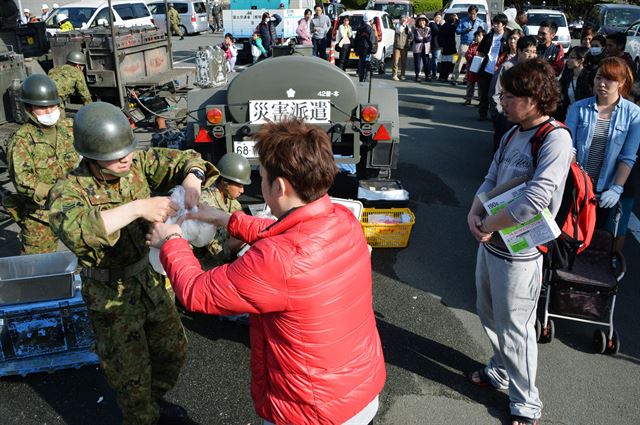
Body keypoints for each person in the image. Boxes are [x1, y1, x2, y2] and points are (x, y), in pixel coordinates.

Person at [146, 118, 386, 425]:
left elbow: (197, 292)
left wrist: (172, 241)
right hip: (358, 387)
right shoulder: (341, 219)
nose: (257, 184)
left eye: (261, 177)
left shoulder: (275, 260)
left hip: (310, 410)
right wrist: (225, 218)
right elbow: (287, 232)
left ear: (279, 186)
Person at [48, 102, 218, 425]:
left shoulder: (135, 163)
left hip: (148, 281)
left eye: (128, 149)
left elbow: (189, 160)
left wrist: (193, 180)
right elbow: (79, 229)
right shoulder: (68, 190)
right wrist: (139, 207)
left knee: (174, 350)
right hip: (111, 296)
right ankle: (141, 415)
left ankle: (150, 405)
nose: (126, 158)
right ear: (93, 156)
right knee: (131, 378)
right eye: (116, 155)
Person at [467, 58, 573, 425]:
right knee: (490, 314)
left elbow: (535, 201)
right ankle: (500, 368)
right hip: (491, 241)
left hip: (521, 252)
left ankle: (526, 403)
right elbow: (492, 174)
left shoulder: (556, 138)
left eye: (510, 96)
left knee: (517, 329)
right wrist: (474, 212)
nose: (502, 102)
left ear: (535, 98)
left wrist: (488, 224)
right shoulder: (514, 132)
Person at [566, 57, 640, 253]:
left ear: (622, 82)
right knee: (569, 236)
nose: (602, 84)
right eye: (599, 78)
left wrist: (616, 188)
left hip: (605, 190)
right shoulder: (579, 108)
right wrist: (579, 182)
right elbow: (569, 147)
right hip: (577, 188)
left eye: (610, 79)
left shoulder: (634, 114)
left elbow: (628, 156)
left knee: (595, 240)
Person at [6, 75, 78, 255]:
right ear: (29, 108)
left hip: (73, 209)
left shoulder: (68, 129)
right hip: (40, 217)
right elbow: (23, 181)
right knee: (40, 270)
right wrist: (56, 191)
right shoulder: (21, 141)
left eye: (52, 106)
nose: (49, 111)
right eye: (42, 107)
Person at [196, 152, 250, 268]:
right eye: (239, 185)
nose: (242, 191)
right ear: (224, 182)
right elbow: (218, 250)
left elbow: (242, 221)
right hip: (203, 268)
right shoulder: (206, 205)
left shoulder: (230, 199)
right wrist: (252, 235)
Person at [489, 35, 539, 151]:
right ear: (519, 51)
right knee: (502, 149)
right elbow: (494, 93)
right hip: (506, 117)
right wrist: (499, 114)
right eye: (527, 51)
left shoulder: (535, 69)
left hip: (527, 118)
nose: (531, 55)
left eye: (534, 52)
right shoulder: (507, 67)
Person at [476, 13, 509, 121]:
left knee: (497, 94)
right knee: (484, 93)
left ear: (503, 25)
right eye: (494, 23)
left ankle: (496, 114)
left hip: (499, 71)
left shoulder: (507, 38)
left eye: (498, 23)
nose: (495, 25)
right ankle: (482, 113)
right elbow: (480, 52)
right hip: (486, 69)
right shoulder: (488, 36)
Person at [453, 5, 485, 84]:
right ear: (468, 13)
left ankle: (467, 79)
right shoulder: (463, 20)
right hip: (465, 44)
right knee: (460, 61)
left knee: (471, 63)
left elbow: (484, 33)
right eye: (471, 13)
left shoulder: (480, 22)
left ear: (477, 13)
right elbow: (457, 31)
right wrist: (465, 30)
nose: (472, 15)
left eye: (474, 13)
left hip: (475, 45)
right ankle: (454, 78)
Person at [557, 46, 589, 122]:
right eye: (568, 57)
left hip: (584, 118)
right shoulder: (567, 78)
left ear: (581, 60)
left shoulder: (589, 78)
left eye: (572, 57)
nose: (568, 60)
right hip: (568, 116)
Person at [353, 11, 378, 83]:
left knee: (361, 66)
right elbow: (372, 41)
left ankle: (361, 81)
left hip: (360, 51)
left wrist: (356, 50)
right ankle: (366, 82)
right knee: (367, 68)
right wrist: (373, 50)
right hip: (368, 51)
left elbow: (356, 40)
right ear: (370, 20)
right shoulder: (370, 29)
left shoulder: (360, 28)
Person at [463, 28, 485, 105]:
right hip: (472, 68)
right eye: (476, 36)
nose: (477, 38)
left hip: (481, 68)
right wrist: (473, 57)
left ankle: (480, 101)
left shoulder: (486, 46)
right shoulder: (472, 45)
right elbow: (467, 54)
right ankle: (468, 99)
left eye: (479, 36)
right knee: (470, 84)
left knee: (481, 86)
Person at [438, 13, 458, 82]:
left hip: (444, 48)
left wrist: (441, 45)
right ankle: (445, 77)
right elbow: (458, 26)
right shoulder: (453, 27)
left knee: (443, 62)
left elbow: (439, 37)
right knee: (449, 63)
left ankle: (441, 76)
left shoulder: (443, 26)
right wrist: (457, 20)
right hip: (451, 48)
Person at [392, 15, 412, 81]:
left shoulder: (408, 26)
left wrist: (409, 28)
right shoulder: (398, 25)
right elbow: (399, 31)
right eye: (402, 19)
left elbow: (410, 35)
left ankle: (402, 75)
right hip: (397, 46)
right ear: (400, 20)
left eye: (405, 19)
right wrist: (403, 25)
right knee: (395, 61)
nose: (404, 20)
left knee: (404, 62)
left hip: (405, 46)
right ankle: (394, 75)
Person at [411, 14, 430, 82]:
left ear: (425, 21)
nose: (422, 22)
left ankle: (427, 76)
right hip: (417, 48)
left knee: (426, 63)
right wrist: (423, 38)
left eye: (423, 20)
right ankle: (417, 76)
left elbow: (428, 39)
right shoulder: (416, 29)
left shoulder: (428, 29)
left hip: (426, 48)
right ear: (418, 22)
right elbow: (416, 39)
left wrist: (421, 38)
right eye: (420, 21)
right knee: (417, 63)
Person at [428, 12, 442, 80]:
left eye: (439, 17)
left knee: (434, 59)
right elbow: (437, 31)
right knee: (435, 59)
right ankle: (434, 74)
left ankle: (428, 72)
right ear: (434, 18)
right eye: (437, 17)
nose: (438, 19)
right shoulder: (432, 24)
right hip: (434, 44)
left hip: (439, 45)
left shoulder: (441, 25)